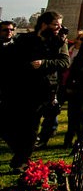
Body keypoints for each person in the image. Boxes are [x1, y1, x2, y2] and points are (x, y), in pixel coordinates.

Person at [1, 11, 71, 169]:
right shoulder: (25, 40)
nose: (58, 28)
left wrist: (44, 63)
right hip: (18, 88)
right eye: (55, 25)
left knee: (31, 127)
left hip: (42, 91)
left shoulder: (59, 42)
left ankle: (22, 159)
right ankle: (21, 152)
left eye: (59, 25)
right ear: (44, 24)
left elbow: (64, 62)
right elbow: (11, 61)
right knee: (6, 124)